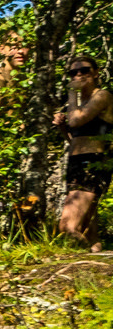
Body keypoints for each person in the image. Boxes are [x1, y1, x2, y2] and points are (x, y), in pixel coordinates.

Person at [55, 54, 112, 250]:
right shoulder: (78, 105)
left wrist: (71, 94)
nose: (79, 75)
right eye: (73, 72)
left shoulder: (102, 96)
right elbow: (75, 138)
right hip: (77, 161)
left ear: (96, 73)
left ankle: (78, 266)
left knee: (67, 227)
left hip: (95, 162)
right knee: (89, 232)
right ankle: (98, 266)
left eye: (85, 70)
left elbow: (77, 121)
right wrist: (63, 128)